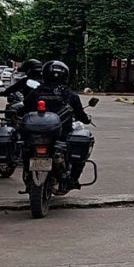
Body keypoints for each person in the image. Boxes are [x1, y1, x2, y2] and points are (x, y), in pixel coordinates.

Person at [19, 61, 92, 190]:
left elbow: (24, 109)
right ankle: (72, 179)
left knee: (24, 148)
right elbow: (80, 114)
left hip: (35, 136)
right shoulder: (70, 94)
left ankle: (28, 176)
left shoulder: (36, 92)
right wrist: (87, 120)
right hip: (60, 136)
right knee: (83, 143)